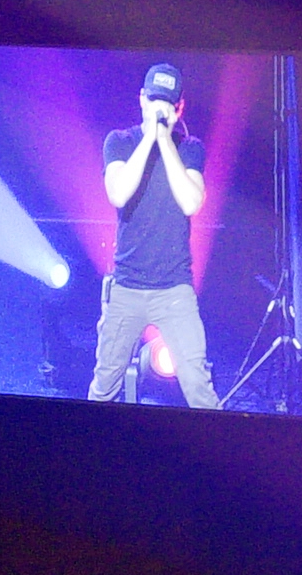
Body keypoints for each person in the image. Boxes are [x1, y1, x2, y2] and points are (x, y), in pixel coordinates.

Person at [88, 61, 219, 408]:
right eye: (154, 100)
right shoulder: (119, 142)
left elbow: (191, 202)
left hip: (175, 289)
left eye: (168, 104)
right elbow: (118, 193)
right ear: (142, 100)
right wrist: (150, 138)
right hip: (127, 288)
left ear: (179, 108)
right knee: (104, 387)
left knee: (199, 389)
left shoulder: (190, 148)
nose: (159, 109)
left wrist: (165, 141)